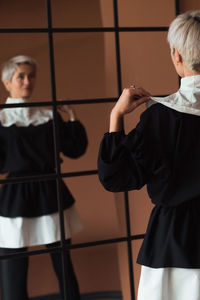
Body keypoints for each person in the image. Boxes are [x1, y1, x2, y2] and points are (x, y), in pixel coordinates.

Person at [98, 10, 200, 300]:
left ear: (177, 55)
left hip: (174, 242)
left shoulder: (160, 117)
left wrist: (116, 115)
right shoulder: (161, 115)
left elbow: (115, 177)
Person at [0, 55, 88, 300]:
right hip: (15, 194)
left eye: (31, 76)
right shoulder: (1, 120)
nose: (27, 81)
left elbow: (75, 149)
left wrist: (72, 117)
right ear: (7, 82)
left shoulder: (48, 116)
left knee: (63, 264)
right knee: (13, 269)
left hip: (49, 191)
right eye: (21, 76)